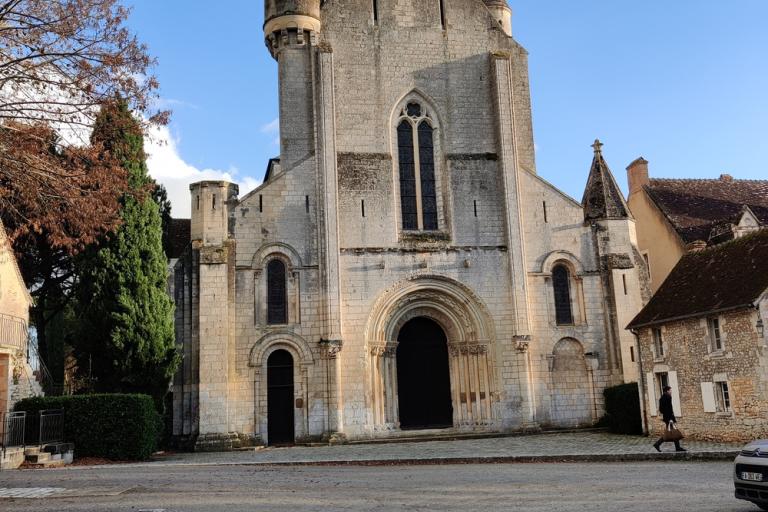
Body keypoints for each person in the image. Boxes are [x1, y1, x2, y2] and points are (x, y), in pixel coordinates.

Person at [653, 386, 686, 452]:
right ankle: (657, 444)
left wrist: (667, 416)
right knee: (671, 432)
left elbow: (661, 410)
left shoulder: (661, 398)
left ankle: (677, 447)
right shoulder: (668, 397)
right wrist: (670, 418)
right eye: (670, 390)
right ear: (667, 391)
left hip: (666, 417)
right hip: (669, 418)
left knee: (673, 432)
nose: (671, 391)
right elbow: (669, 409)